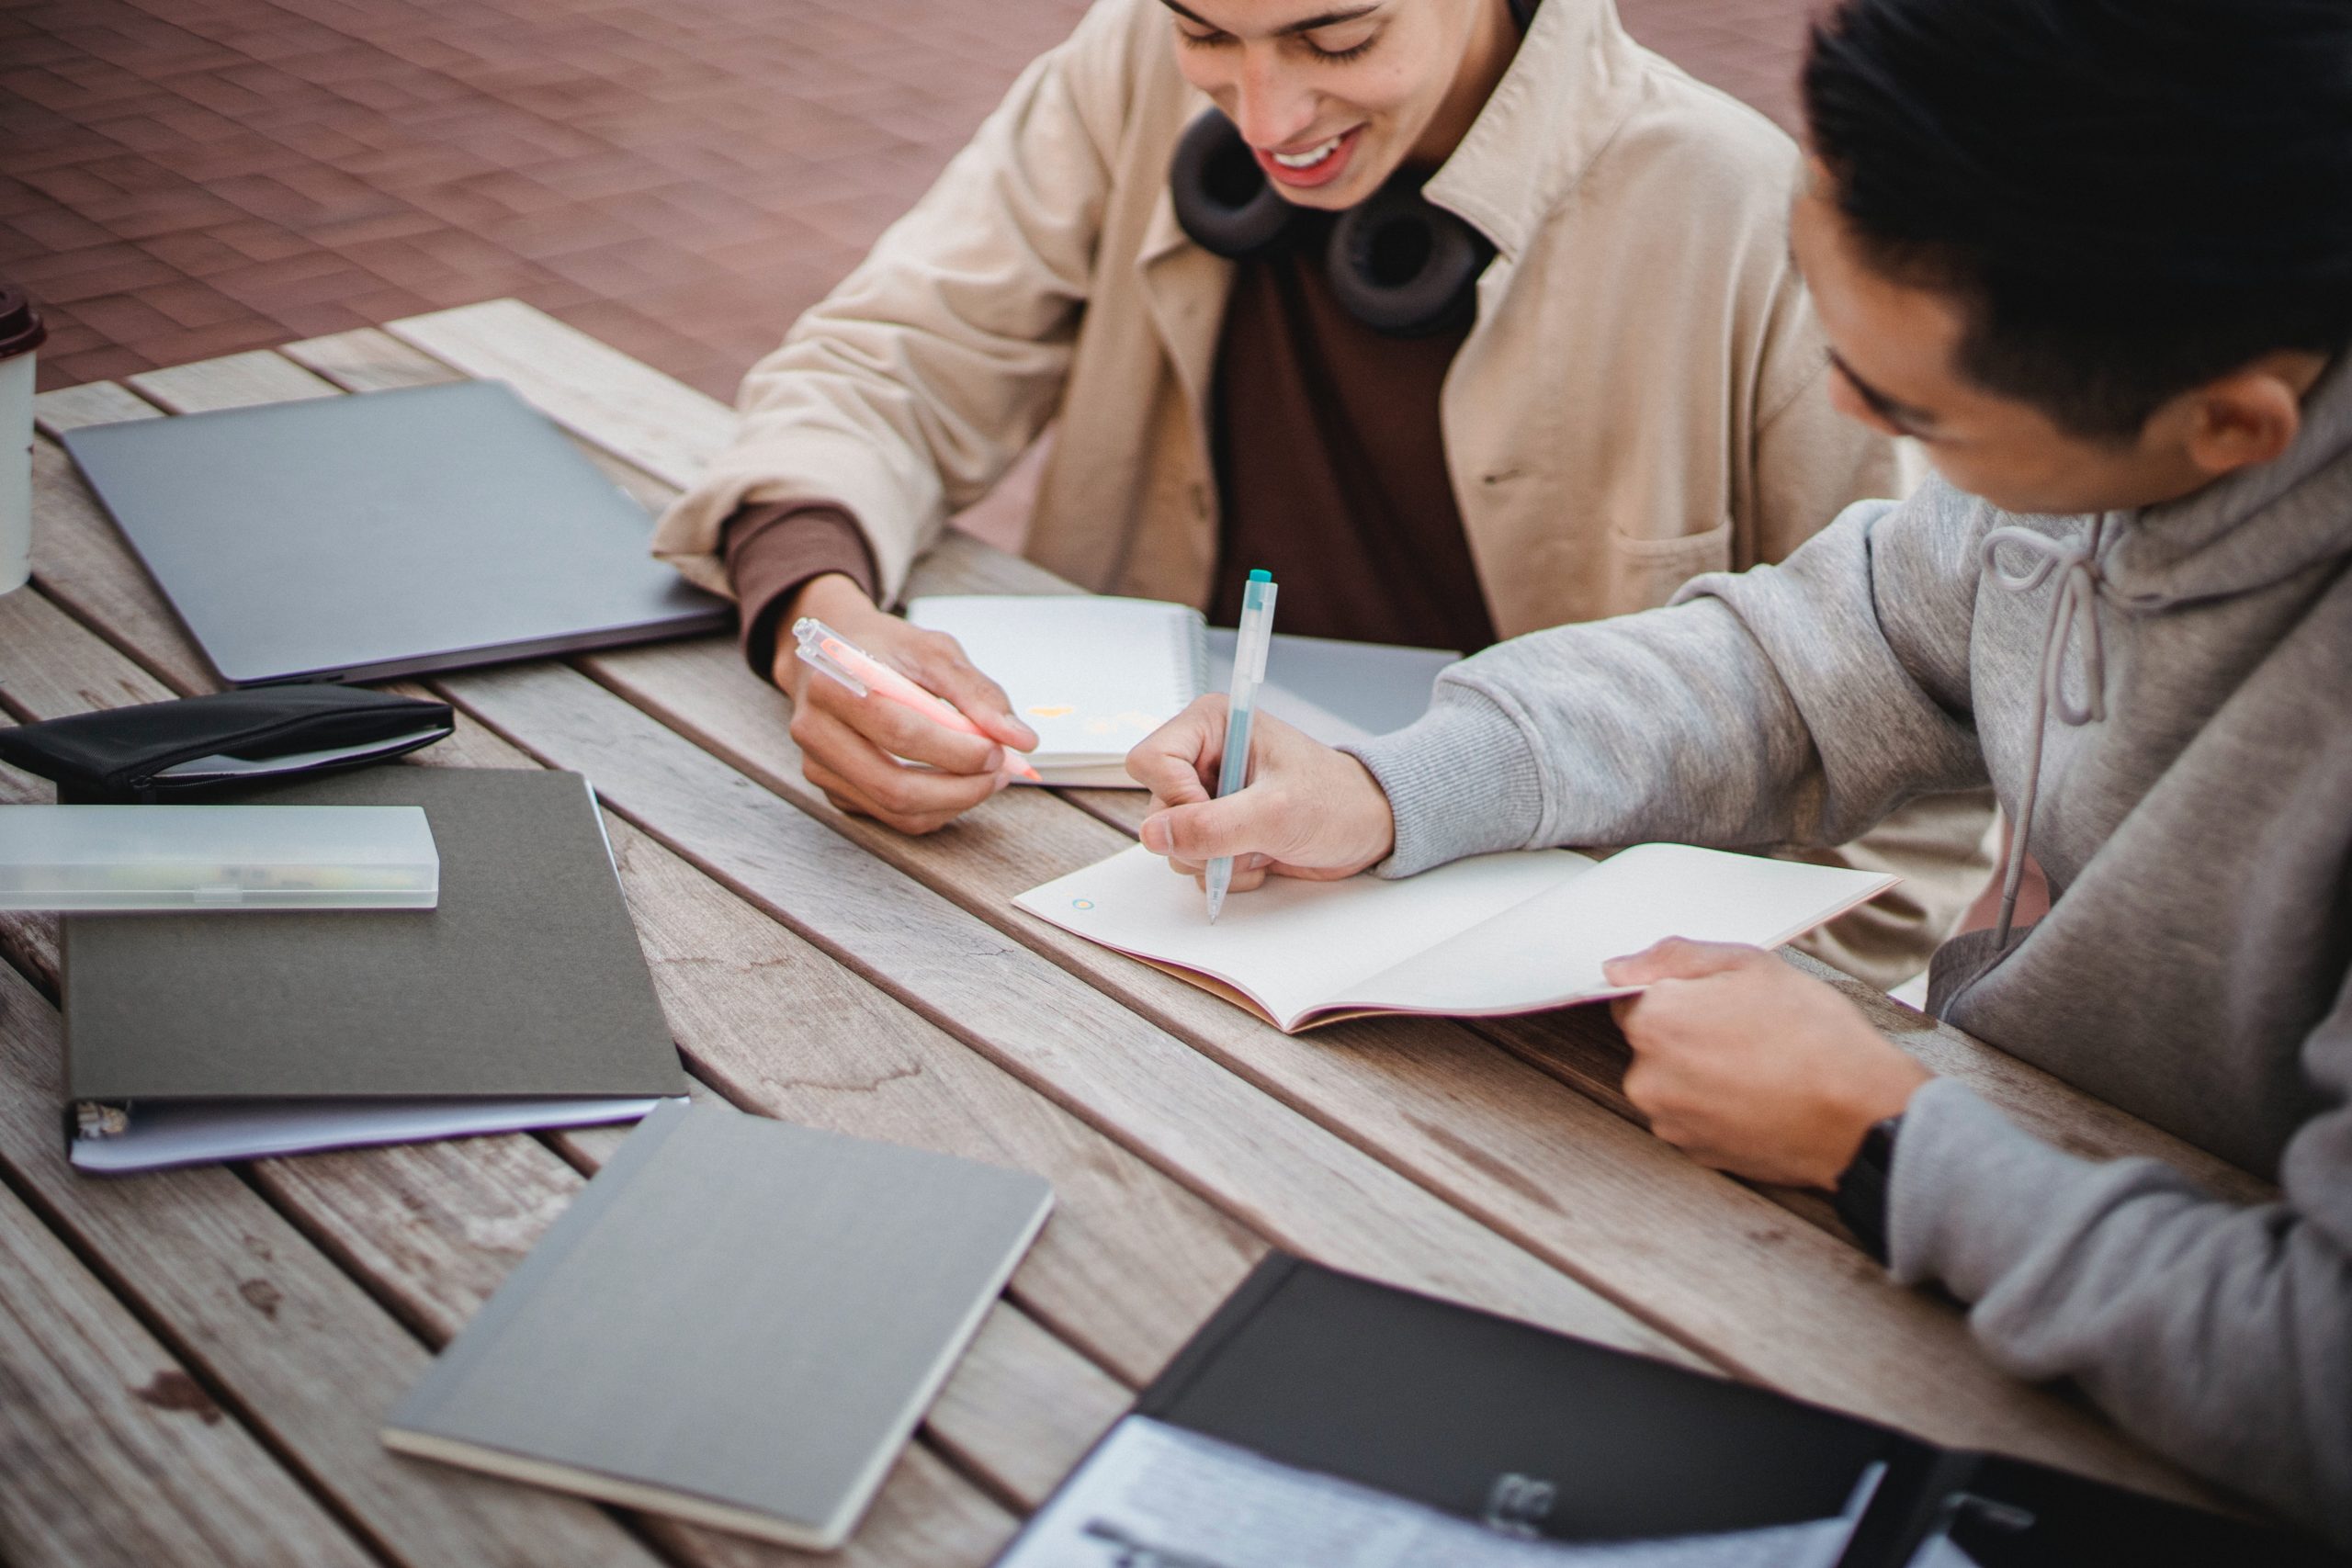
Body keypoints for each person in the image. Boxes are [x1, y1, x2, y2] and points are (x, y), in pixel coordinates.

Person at [1127, 0, 2352, 1533]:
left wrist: (1881, 1139)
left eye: (1912, 411)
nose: (1846, 411)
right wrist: (1394, 789)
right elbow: (1786, 661)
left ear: (2229, 426)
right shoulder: (2091, 400)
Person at [650, 0, 1994, 989]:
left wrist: (1800, 1003)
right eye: (1207, 37)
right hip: (1146, 884)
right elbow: (890, 361)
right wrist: (819, 612)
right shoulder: (1126, 63)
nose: (1265, 116)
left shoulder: (1733, 203)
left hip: (1563, 984)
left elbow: (1916, 731)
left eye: (1338, 41)